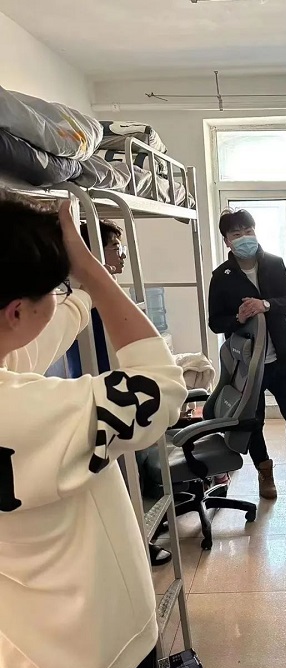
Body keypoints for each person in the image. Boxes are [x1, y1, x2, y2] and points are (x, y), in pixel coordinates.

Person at [0, 195, 187, 668]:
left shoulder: (16, 383)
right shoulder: (40, 412)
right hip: (99, 654)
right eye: (50, 293)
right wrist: (91, 271)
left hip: (16, 656)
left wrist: (77, 298)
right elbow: (161, 387)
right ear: (15, 311)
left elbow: (28, 343)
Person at [68, 219, 171, 566]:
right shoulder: (85, 299)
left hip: (114, 388)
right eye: (116, 248)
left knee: (135, 465)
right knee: (122, 473)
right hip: (103, 392)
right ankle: (137, 544)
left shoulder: (98, 295)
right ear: (92, 252)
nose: (123, 256)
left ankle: (143, 531)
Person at [209, 209, 286, 498]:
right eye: (237, 234)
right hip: (248, 365)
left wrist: (265, 304)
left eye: (248, 231)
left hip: (280, 358)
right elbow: (215, 323)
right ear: (227, 241)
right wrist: (238, 317)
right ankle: (265, 472)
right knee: (254, 421)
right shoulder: (221, 277)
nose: (244, 238)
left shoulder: (274, 264)